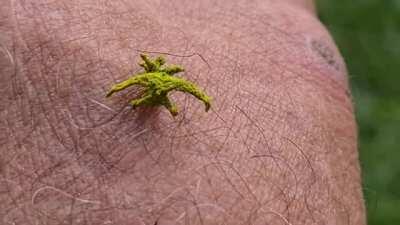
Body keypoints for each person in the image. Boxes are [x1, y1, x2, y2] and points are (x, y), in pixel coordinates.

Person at [0, 0, 366, 224]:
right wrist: (119, 89)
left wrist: (198, 97)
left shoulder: (157, 82)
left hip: (156, 93)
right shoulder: (154, 82)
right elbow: (145, 84)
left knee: (156, 97)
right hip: (155, 93)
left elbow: (158, 85)